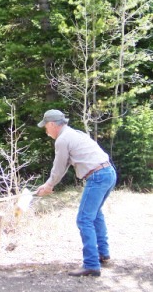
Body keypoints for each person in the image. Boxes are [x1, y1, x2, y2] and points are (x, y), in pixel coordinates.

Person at [36, 109, 117, 277]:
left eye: (46, 127)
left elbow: (58, 169)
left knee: (84, 219)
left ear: (52, 124)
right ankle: (103, 254)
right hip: (108, 172)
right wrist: (48, 185)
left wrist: (49, 185)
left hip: (98, 176)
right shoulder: (74, 134)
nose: (46, 130)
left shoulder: (63, 139)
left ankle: (91, 265)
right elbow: (64, 166)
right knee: (95, 215)